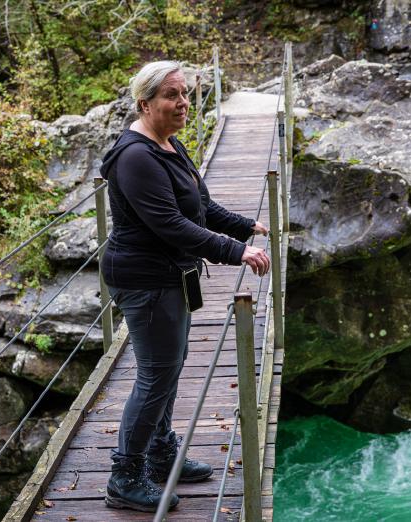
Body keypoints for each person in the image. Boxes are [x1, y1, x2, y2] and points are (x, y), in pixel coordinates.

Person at [98, 60, 271, 513]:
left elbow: (201, 205)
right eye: (172, 95)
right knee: (156, 374)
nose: (183, 103)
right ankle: (125, 475)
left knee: (169, 367)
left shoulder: (168, 144)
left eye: (186, 94)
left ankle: (158, 452)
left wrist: (246, 227)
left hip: (169, 275)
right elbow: (171, 225)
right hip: (145, 278)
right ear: (145, 103)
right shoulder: (136, 156)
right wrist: (236, 252)